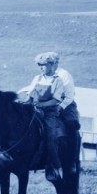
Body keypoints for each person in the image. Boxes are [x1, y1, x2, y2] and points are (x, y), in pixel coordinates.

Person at [19, 51, 79, 181]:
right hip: (37, 108)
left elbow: (62, 98)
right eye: (39, 65)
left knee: (57, 132)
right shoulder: (38, 78)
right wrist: (25, 101)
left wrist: (48, 105)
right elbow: (30, 93)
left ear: (53, 64)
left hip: (56, 108)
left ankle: (58, 164)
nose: (41, 67)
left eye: (44, 65)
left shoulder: (61, 78)